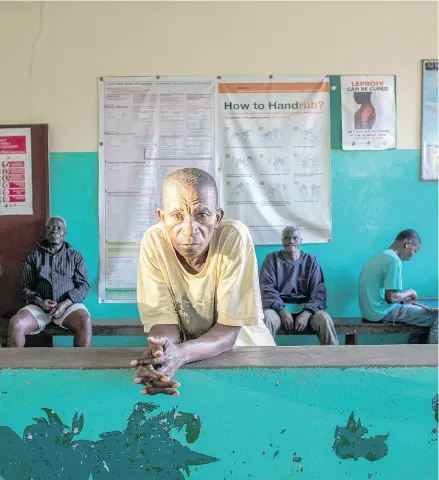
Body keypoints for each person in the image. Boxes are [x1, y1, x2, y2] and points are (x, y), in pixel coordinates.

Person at [131, 168, 275, 396]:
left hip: (246, 355)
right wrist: (162, 354)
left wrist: (180, 354)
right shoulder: (153, 242)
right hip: (194, 359)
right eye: (177, 215)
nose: (189, 229)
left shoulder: (233, 237)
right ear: (161, 216)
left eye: (202, 215)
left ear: (217, 218)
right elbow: (164, 324)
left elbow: (228, 334)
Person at [7, 216, 91, 347]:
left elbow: (83, 286)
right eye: (50, 227)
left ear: (65, 233)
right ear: (45, 232)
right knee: (16, 323)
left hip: (68, 306)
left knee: (84, 320)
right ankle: (14, 367)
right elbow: (25, 287)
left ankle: (80, 367)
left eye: (59, 228)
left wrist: (64, 304)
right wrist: (40, 302)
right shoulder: (34, 256)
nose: (54, 231)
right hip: (39, 306)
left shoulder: (75, 257)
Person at [259, 226, 338, 345]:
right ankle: (262, 361)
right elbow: (266, 289)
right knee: (267, 318)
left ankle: (333, 360)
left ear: (301, 241)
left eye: (295, 238)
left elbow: (318, 292)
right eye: (286, 238)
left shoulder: (311, 261)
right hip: (278, 309)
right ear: (282, 241)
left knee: (324, 319)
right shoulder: (272, 260)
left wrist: (307, 313)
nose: (291, 241)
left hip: (306, 309)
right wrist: (282, 311)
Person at [359, 229, 438, 344]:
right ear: (408, 244)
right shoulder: (394, 260)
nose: (413, 255)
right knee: (436, 317)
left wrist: (402, 300)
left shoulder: (382, 255)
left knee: (418, 315)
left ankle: (415, 357)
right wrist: (410, 292)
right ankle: (434, 360)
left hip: (370, 311)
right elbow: (391, 297)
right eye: (415, 251)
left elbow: (385, 295)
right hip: (381, 312)